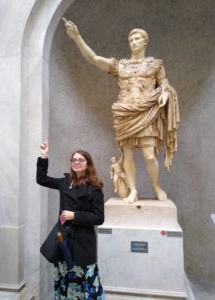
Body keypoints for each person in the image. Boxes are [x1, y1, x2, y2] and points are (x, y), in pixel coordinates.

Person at [63, 19, 180, 203]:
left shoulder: (154, 64)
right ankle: (133, 190)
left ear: (145, 42)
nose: (133, 42)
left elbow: (164, 83)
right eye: (131, 39)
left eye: (137, 39)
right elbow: (94, 60)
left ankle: (156, 186)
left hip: (147, 111)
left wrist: (165, 93)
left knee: (149, 156)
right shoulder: (121, 65)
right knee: (127, 154)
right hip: (124, 112)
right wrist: (77, 38)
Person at [36, 142, 104, 299]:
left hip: (83, 243)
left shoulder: (95, 187)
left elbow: (99, 217)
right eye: (74, 160)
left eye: (81, 160)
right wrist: (44, 156)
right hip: (64, 241)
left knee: (85, 283)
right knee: (65, 281)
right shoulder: (64, 182)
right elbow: (41, 179)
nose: (77, 162)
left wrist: (76, 215)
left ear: (88, 164)